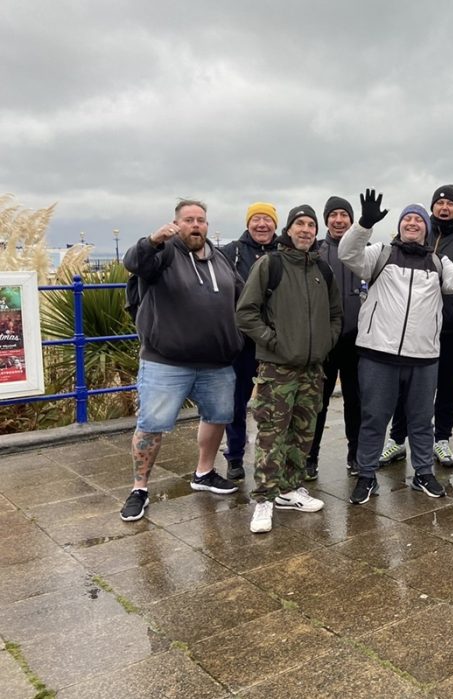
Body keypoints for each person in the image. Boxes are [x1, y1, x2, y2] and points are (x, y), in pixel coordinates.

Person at [339, 191, 453, 505]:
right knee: (374, 418)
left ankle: (422, 473)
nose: (412, 223)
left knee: (421, 420)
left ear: (426, 230)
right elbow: (348, 255)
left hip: (423, 357)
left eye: (418, 220)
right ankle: (366, 476)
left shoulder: (436, 261)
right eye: (407, 218)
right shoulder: (380, 253)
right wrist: (364, 224)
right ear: (399, 225)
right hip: (379, 353)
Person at [120, 200, 243, 522]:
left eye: (201, 220)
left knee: (217, 417)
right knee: (151, 425)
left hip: (216, 361)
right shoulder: (162, 254)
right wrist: (153, 240)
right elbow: (133, 263)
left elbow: (242, 297)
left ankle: (203, 473)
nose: (196, 225)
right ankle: (139, 489)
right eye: (189, 219)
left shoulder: (220, 258)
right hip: (166, 361)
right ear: (176, 223)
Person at [236, 204, 342, 533]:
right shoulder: (271, 265)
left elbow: (336, 314)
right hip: (277, 368)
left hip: (313, 368)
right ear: (290, 229)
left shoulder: (322, 270)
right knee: (271, 434)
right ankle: (264, 499)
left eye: (311, 225)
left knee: (303, 432)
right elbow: (246, 312)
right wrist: (273, 341)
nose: (306, 229)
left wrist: (326, 341)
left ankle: (290, 489)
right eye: (300, 224)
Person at [380, 185, 453, 469]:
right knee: (406, 387)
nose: (444, 207)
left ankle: (442, 438)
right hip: (419, 328)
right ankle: (397, 439)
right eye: (440, 203)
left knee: (449, 385)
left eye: (450, 203)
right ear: (432, 208)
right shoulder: (423, 231)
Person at [220, 202, 280, 480]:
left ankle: (273, 456)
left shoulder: (284, 252)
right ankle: (234, 456)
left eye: (267, 220)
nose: (262, 225)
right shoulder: (230, 252)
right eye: (256, 219)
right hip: (241, 340)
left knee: (276, 403)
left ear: (276, 225)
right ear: (248, 223)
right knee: (237, 400)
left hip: (275, 340)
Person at [306, 196, 362, 480]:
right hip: (325, 343)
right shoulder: (315, 252)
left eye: (344, 215)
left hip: (356, 341)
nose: (339, 220)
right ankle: (309, 456)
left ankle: (356, 455)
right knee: (318, 402)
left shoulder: (364, 250)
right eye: (334, 215)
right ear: (326, 220)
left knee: (356, 402)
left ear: (351, 220)